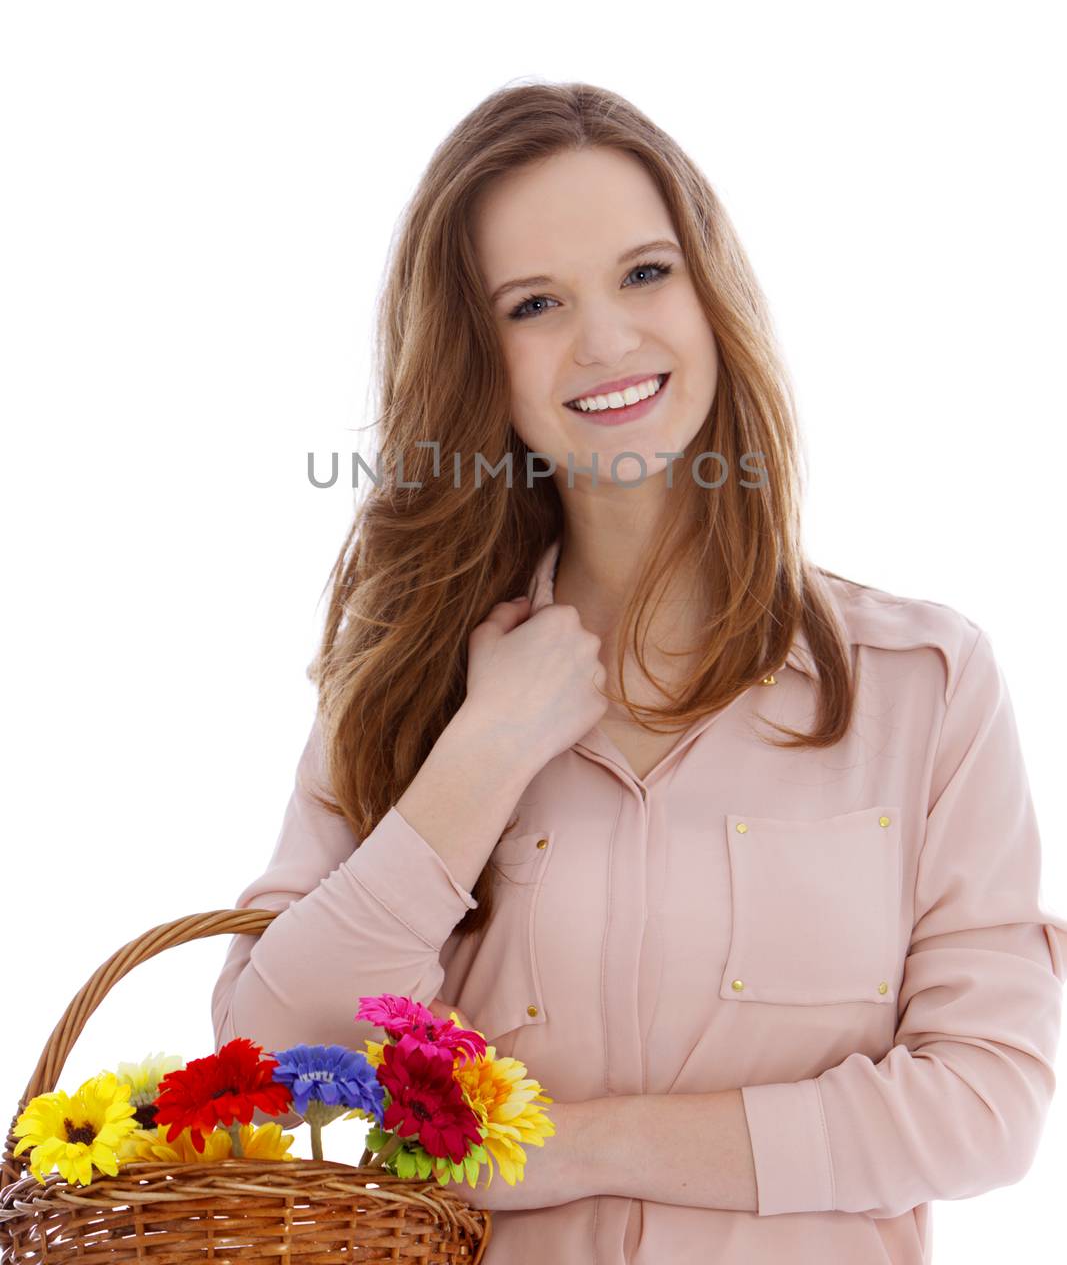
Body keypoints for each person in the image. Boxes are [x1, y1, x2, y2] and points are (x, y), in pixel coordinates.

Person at [211, 81, 1067, 1263]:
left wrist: (570, 1146)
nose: (605, 339)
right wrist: (483, 756)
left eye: (644, 273)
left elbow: (984, 1104)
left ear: (713, 298)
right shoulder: (411, 685)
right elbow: (270, 1067)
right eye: (533, 303)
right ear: (478, 361)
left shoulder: (923, 684)